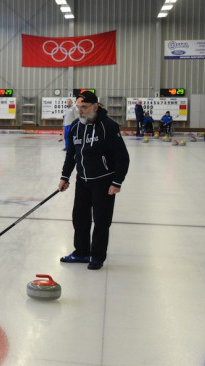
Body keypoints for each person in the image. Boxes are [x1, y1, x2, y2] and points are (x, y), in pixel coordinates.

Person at [58, 91, 130, 270]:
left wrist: (117, 182)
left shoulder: (108, 126)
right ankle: (81, 252)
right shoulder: (76, 126)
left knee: (101, 220)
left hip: (103, 182)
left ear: (95, 107)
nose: (80, 111)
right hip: (82, 181)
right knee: (79, 218)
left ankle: (97, 256)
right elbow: (71, 155)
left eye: (84, 107)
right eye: (78, 108)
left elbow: (122, 157)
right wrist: (65, 177)